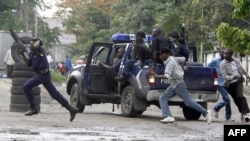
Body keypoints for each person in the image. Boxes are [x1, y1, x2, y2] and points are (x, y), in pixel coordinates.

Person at [19, 39, 78, 122]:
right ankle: (71, 109)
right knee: (54, 94)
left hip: (43, 75)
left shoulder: (41, 50)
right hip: (41, 75)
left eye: (32, 43)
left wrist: (35, 43)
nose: (30, 45)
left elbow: (37, 43)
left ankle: (33, 108)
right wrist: (23, 54)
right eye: (30, 43)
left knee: (26, 86)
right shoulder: (32, 53)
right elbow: (28, 64)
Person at [155, 47, 211, 124]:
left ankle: (206, 112)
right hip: (174, 85)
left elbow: (166, 76)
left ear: (166, 54)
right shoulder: (173, 58)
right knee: (163, 97)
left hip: (179, 84)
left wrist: (156, 76)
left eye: (162, 54)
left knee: (188, 102)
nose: (160, 56)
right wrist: (181, 68)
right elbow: (183, 59)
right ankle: (167, 116)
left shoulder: (169, 63)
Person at [220, 48, 250, 122]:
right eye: (224, 53)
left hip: (239, 81)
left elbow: (241, 69)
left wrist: (247, 75)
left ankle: (246, 113)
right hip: (230, 84)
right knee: (236, 99)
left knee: (240, 96)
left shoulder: (236, 61)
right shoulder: (222, 63)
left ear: (231, 55)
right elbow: (224, 76)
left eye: (227, 54)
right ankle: (242, 112)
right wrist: (232, 77)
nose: (225, 55)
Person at [207, 48, 232, 121]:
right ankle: (228, 117)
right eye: (223, 52)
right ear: (220, 53)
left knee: (226, 99)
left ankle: (216, 108)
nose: (224, 54)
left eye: (225, 53)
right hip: (218, 82)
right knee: (227, 99)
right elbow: (208, 68)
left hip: (226, 82)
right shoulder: (215, 61)